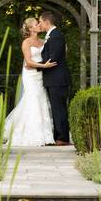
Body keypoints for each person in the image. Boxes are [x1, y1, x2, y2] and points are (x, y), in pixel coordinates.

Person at [2, 17, 57, 148]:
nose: (39, 25)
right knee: (32, 99)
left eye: (39, 24)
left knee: (42, 100)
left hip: (41, 75)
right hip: (31, 76)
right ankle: (32, 134)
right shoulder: (26, 43)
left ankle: (46, 135)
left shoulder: (43, 41)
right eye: (36, 24)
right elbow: (28, 62)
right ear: (31, 28)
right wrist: (44, 66)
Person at [38, 10, 72, 146]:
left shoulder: (56, 36)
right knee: (57, 108)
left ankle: (62, 138)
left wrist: (35, 66)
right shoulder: (51, 35)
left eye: (40, 21)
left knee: (59, 109)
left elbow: (53, 59)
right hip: (53, 79)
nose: (40, 24)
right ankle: (58, 135)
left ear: (47, 22)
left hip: (57, 79)